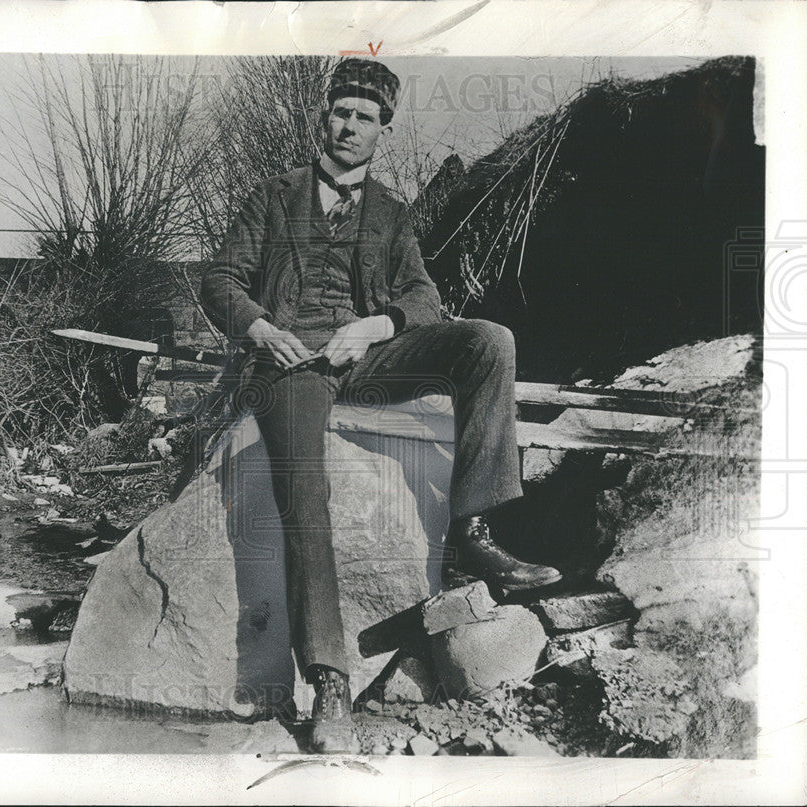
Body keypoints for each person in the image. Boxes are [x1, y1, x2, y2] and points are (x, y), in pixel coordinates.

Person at [200, 58, 561, 754]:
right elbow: (219, 279)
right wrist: (260, 329)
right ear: (322, 118)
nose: (349, 127)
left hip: (364, 355)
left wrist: (375, 326)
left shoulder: (392, 214)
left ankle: (475, 532)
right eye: (340, 113)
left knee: (490, 342)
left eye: (365, 118)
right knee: (305, 482)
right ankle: (330, 677)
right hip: (291, 363)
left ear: (381, 131)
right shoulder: (272, 197)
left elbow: (425, 298)